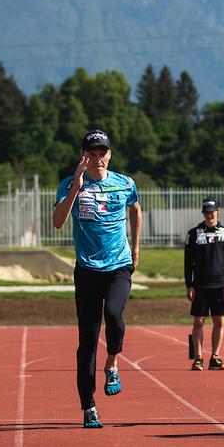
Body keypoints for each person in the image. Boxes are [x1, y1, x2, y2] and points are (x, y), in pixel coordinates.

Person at [53, 129, 142, 429]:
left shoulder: (124, 183)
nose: (97, 158)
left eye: (102, 152)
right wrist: (76, 187)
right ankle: (88, 406)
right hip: (88, 269)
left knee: (115, 315)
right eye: (91, 153)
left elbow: (136, 210)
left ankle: (113, 361)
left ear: (109, 154)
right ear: (83, 156)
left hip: (118, 265)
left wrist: (136, 248)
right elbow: (57, 222)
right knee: (87, 340)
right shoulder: (69, 185)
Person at [184, 197, 224, 371]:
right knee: (199, 321)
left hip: (220, 284)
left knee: (218, 321)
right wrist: (189, 285)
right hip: (200, 285)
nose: (209, 215)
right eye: (206, 212)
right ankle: (198, 357)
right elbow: (188, 262)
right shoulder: (193, 233)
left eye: (212, 212)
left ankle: (215, 356)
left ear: (218, 212)